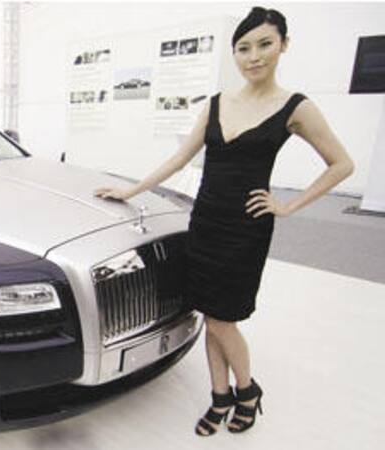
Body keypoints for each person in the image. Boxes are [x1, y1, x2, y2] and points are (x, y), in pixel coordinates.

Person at [94, 7, 354, 436]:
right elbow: (181, 158)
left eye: (265, 44)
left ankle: (247, 390)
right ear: (235, 53)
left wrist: (289, 205)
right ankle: (221, 396)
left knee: (222, 319)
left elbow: (341, 164)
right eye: (244, 48)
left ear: (284, 45)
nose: (254, 56)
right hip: (206, 223)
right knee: (210, 311)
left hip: (246, 230)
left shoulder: (296, 106)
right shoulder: (218, 103)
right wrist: (131, 191)